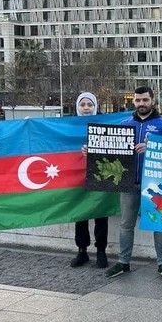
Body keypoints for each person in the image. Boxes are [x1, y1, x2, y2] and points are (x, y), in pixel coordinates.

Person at [105, 86, 162, 280]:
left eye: (145, 100)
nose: (141, 104)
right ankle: (123, 262)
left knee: (158, 225)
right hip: (128, 183)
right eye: (138, 100)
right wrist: (92, 150)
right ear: (133, 102)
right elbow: (111, 151)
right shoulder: (125, 123)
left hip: (154, 184)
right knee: (126, 225)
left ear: (152, 100)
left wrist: (151, 146)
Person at [70, 92, 109, 269]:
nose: (86, 108)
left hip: (100, 173)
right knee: (81, 214)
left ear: (95, 106)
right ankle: (82, 250)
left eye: (90, 104)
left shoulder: (105, 124)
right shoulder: (68, 125)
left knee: (101, 214)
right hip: (77, 174)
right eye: (83, 104)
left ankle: (101, 251)